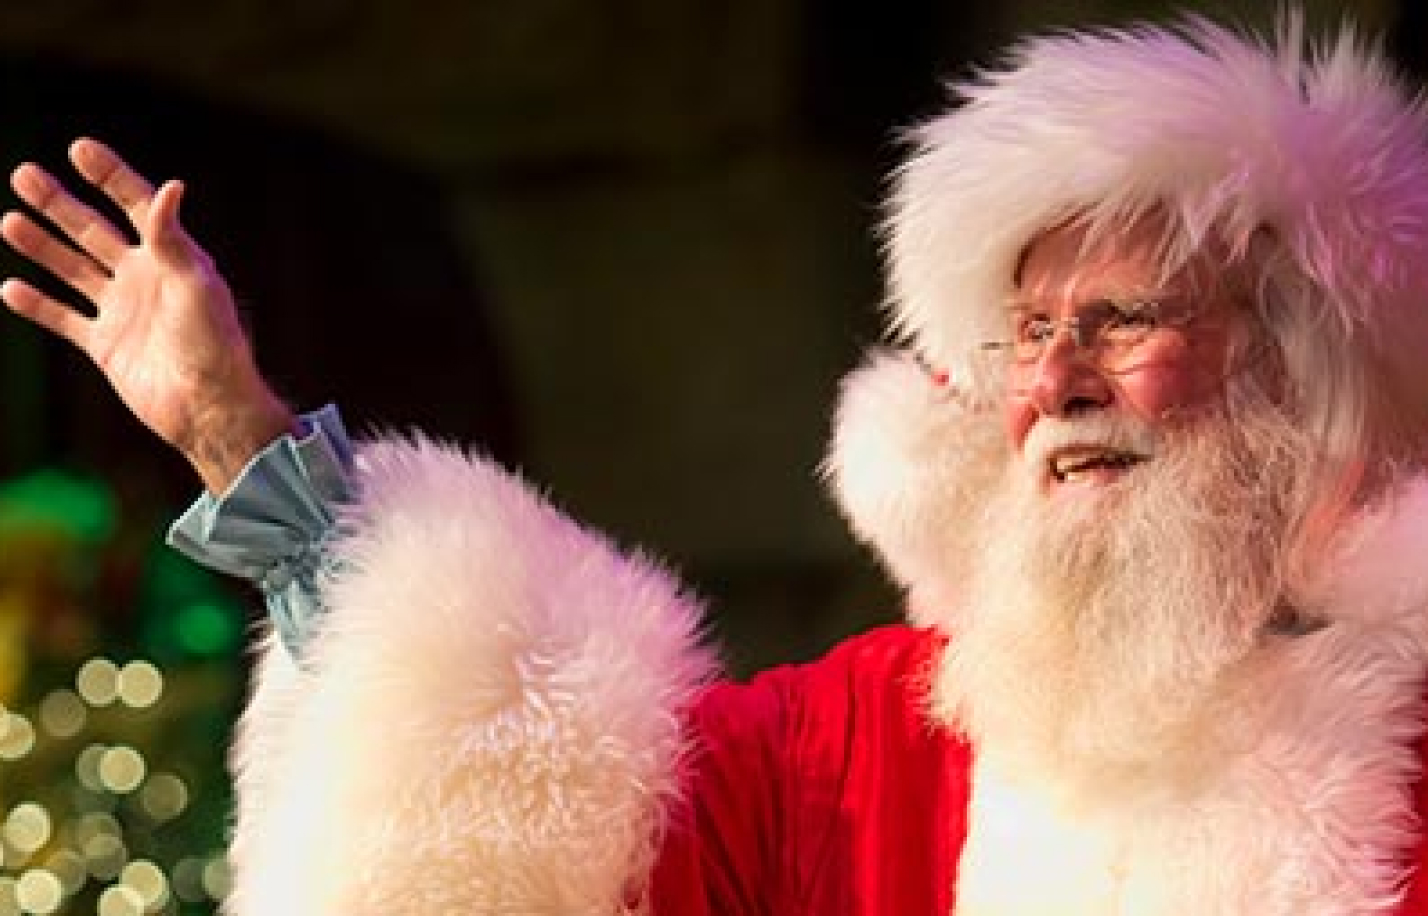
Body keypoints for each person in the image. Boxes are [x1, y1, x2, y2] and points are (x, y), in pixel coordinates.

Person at [6, 13, 1428, 916]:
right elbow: (531, 811)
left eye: (1122, 324)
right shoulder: (875, 735)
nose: (1054, 382)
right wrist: (233, 435)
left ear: (1283, 368)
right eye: (1030, 334)